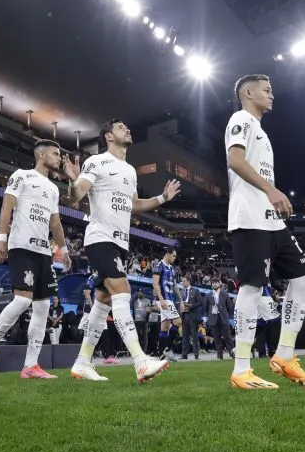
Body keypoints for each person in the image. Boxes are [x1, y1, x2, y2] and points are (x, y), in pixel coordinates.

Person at [62, 119, 178, 382]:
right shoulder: (96, 162)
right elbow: (76, 196)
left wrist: (162, 198)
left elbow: (134, 204)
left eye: (128, 127)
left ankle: (82, 362)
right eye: (121, 127)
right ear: (108, 136)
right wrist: (72, 180)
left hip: (121, 243)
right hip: (99, 238)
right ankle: (140, 361)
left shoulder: (130, 171)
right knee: (123, 290)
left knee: (102, 303)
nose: (127, 129)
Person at [225, 75, 305, 389]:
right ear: (248, 93)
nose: (272, 95)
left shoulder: (260, 130)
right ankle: (241, 369)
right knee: (252, 288)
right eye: (267, 90)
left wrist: (272, 196)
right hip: (249, 218)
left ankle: (284, 355)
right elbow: (234, 160)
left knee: (303, 279)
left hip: (271, 221)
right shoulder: (241, 119)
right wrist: (272, 190)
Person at [0, 140, 67, 379]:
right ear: (40, 154)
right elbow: (7, 207)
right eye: (55, 153)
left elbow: (55, 222)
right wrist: (1, 238)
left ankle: (30, 365)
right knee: (22, 301)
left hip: (43, 252)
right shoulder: (22, 176)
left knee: (43, 306)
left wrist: (65, 250)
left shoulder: (53, 188)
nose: (59, 158)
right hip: (21, 246)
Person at [152, 250, 182, 360]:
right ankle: (167, 350)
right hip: (164, 299)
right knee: (178, 321)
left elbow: (175, 286)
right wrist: (161, 299)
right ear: (168, 254)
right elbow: (155, 283)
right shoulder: (159, 266)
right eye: (173, 255)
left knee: (164, 327)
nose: (174, 258)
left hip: (170, 299)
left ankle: (161, 354)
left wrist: (181, 301)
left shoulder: (172, 269)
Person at [201, 277, 235, 359]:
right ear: (212, 284)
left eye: (216, 283)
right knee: (217, 338)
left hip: (223, 318)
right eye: (213, 283)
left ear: (219, 284)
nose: (215, 284)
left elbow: (229, 307)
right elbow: (205, 308)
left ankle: (233, 353)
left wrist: (222, 310)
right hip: (213, 319)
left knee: (227, 337)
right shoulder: (208, 295)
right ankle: (219, 356)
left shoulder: (225, 294)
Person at [178, 276, 202, 359]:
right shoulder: (181, 292)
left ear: (188, 281)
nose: (182, 283)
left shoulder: (196, 290)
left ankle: (196, 355)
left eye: (184, 281)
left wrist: (191, 305)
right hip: (184, 316)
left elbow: (200, 303)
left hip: (193, 316)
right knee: (185, 336)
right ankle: (184, 354)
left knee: (194, 336)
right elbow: (179, 304)